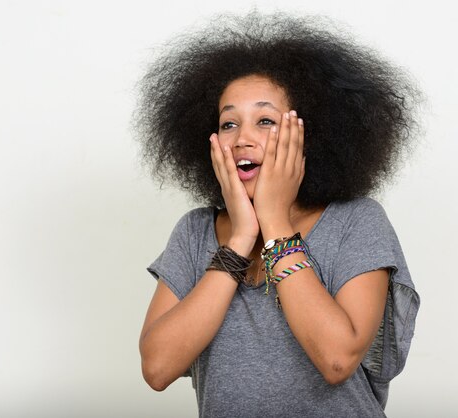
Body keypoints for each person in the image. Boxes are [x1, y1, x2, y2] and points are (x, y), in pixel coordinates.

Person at [135, 10, 421, 418]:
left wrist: (273, 223)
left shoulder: (356, 221)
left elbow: (338, 359)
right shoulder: (195, 232)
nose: (242, 139)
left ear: (310, 133)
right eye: (228, 123)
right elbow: (158, 368)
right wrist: (238, 240)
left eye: (265, 120)